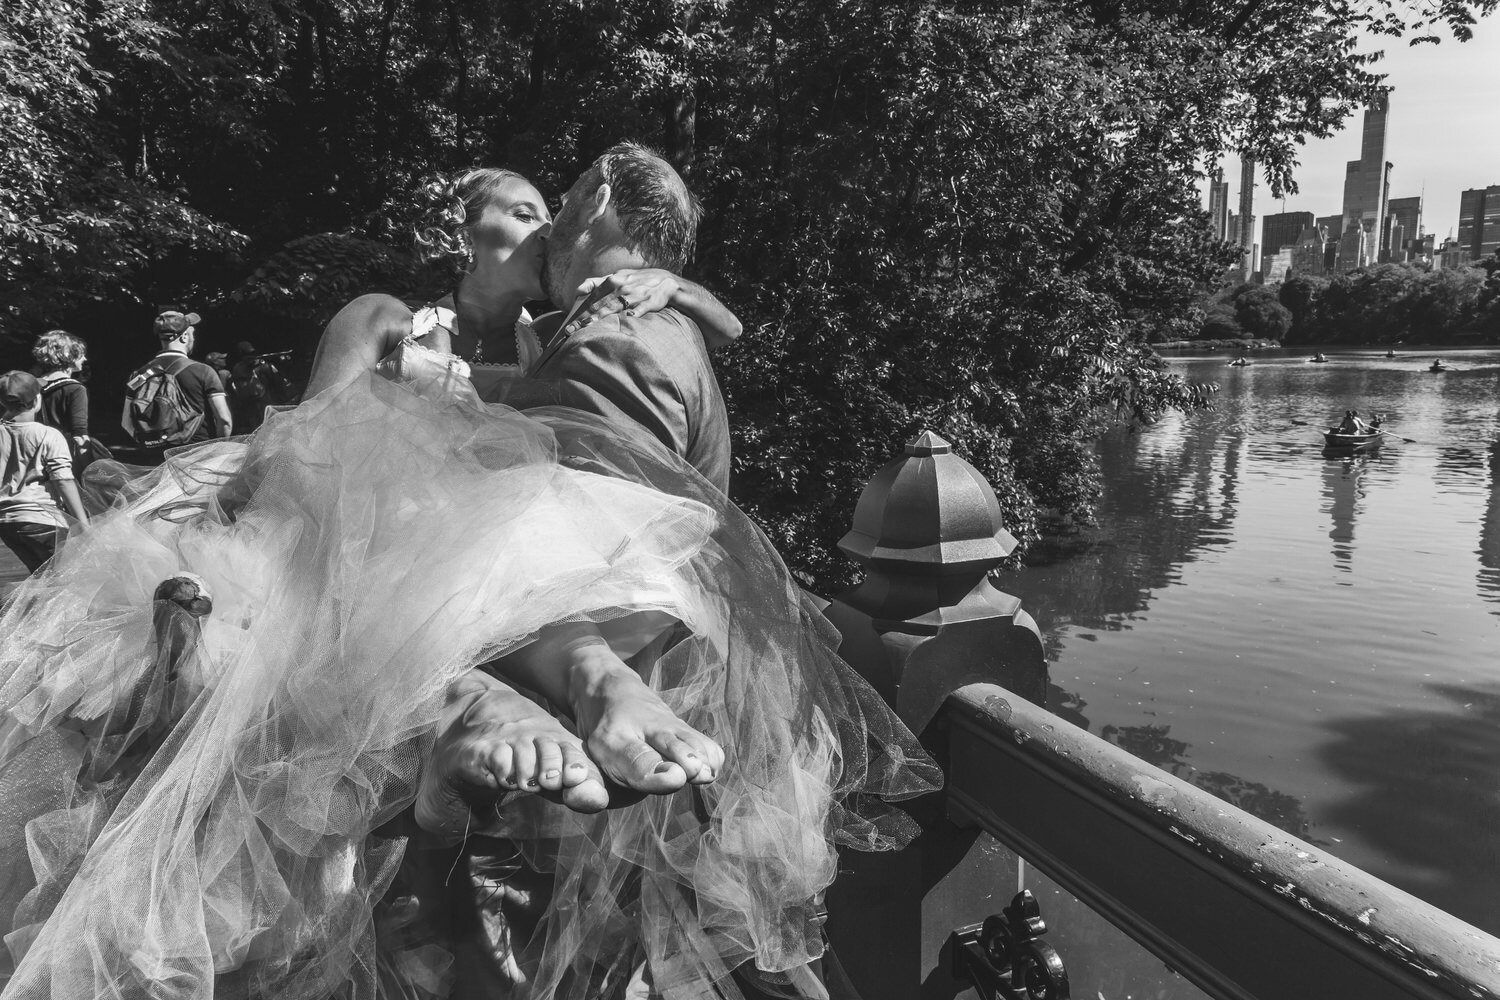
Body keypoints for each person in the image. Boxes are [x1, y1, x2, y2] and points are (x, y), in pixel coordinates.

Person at [0, 158, 939, 1000]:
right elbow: (310, 442)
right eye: (524, 207)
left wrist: (667, 285)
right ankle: (486, 707)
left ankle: (508, 703)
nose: (545, 224)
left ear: (599, 210)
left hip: (506, 611)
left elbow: (597, 477)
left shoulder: (586, 335)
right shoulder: (413, 320)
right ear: (463, 230)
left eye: (556, 204)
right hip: (346, 535)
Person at [0, 371, 89, 572]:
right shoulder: (48, 435)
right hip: (42, 519)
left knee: (43, 579)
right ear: (37, 400)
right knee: (70, 579)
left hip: (6, 523)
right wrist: (82, 524)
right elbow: (63, 480)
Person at [122, 310, 234, 457]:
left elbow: (126, 422)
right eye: (192, 335)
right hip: (197, 456)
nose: (193, 339)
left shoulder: (139, 375)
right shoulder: (204, 371)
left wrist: (151, 444)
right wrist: (218, 454)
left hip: (156, 458)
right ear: (185, 336)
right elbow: (224, 420)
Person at [30, 329, 97, 472]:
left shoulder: (31, 384)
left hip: (33, 457)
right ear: (68, 356)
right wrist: (90, 470)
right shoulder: (75, 389)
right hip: (62, 460)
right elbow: (79, 435)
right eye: (80, 354)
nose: (84, 359)